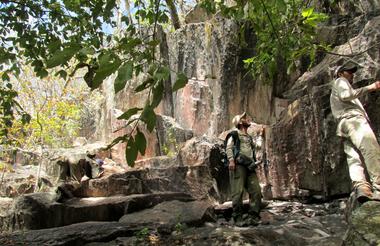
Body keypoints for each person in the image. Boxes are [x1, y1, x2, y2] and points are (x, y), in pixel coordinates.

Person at [330, 61, 380, 203]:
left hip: (344, 125)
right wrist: (371, 87)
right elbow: (346, 95)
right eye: (349, 72)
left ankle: (361, 188)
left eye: (352, 72)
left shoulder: (338, 86)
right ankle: (379, 187)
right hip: (353, 121)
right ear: (340, 73)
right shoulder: (340, 81)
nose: (352, 75)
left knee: (354, 157)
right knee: (371, 149)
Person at [226, 112, 263, 226]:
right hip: (238, 165)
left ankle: (253, 217)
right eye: (244, 118)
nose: (247, 119)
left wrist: (261, 135)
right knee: (238, 192)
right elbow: (229, 147)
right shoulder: (234, 134)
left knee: (256, 191)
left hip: (250, 166)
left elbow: (257, 147)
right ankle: (237, 218)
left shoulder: (249, 137)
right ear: (240, 122)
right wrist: (231, 160)